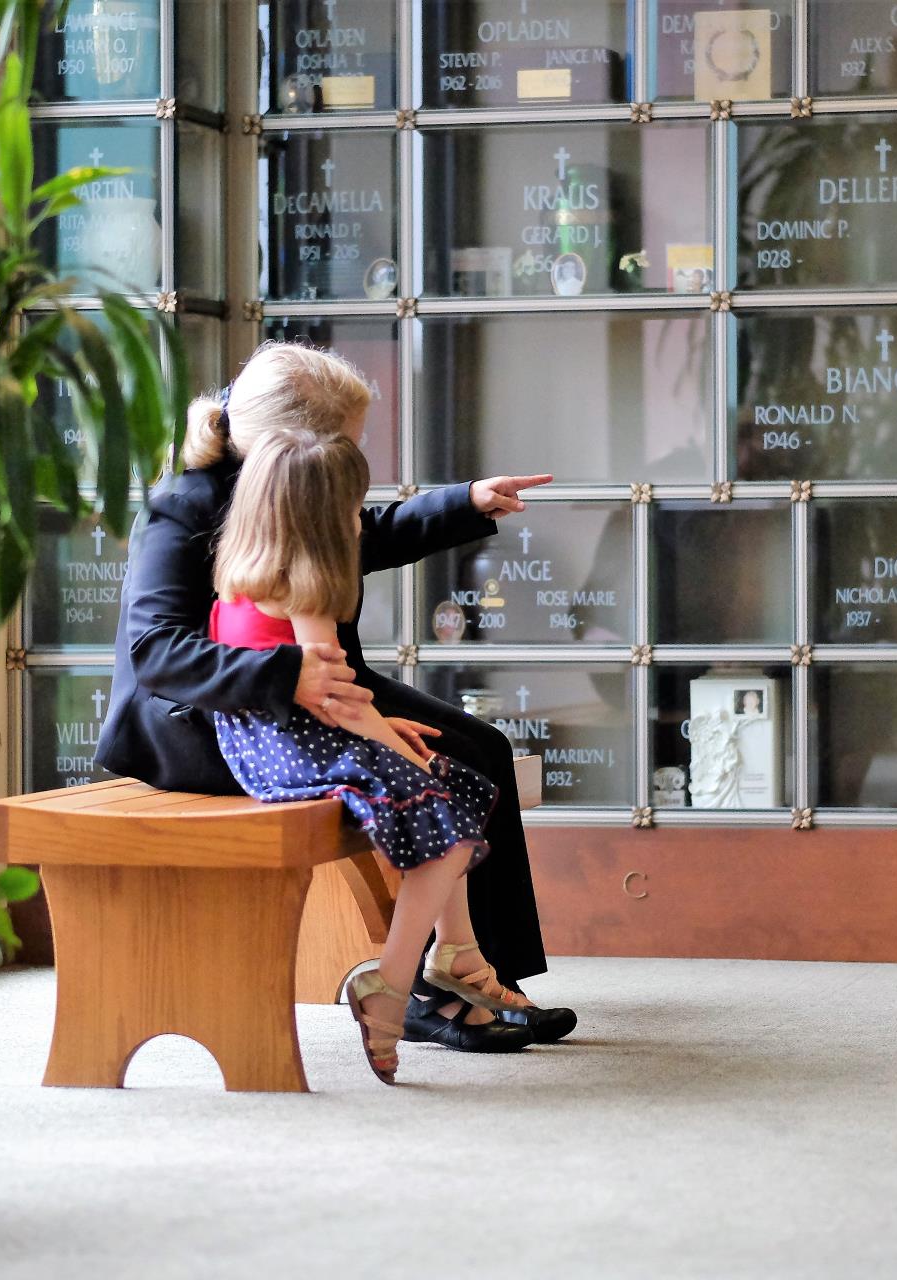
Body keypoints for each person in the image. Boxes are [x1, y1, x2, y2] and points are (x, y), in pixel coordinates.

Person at [95, 340, 575, 1052]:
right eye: (349, 443)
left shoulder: (288, 478)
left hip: (309, 689)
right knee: (430, 774)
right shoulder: (185, 506)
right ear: (296, 445)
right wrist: (289, 676)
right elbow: (155, 652)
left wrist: (464, 503)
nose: (358, 459)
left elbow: (358, 535)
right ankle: (422, 986)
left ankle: (477, 975)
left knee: (479, 748)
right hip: (218, 719)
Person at [206, 429, 542, 1082]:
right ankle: (391, 984)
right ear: (318, 518)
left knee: (461, 784)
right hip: (295, 746)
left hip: (270, 736)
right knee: (445, 817)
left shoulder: (246, 566)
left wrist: (388, 730)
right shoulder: (304, 586)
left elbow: (333, 695)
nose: (361, 523)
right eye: (353, 510)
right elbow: (342, 706)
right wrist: (389, 740)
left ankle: (462, 954)